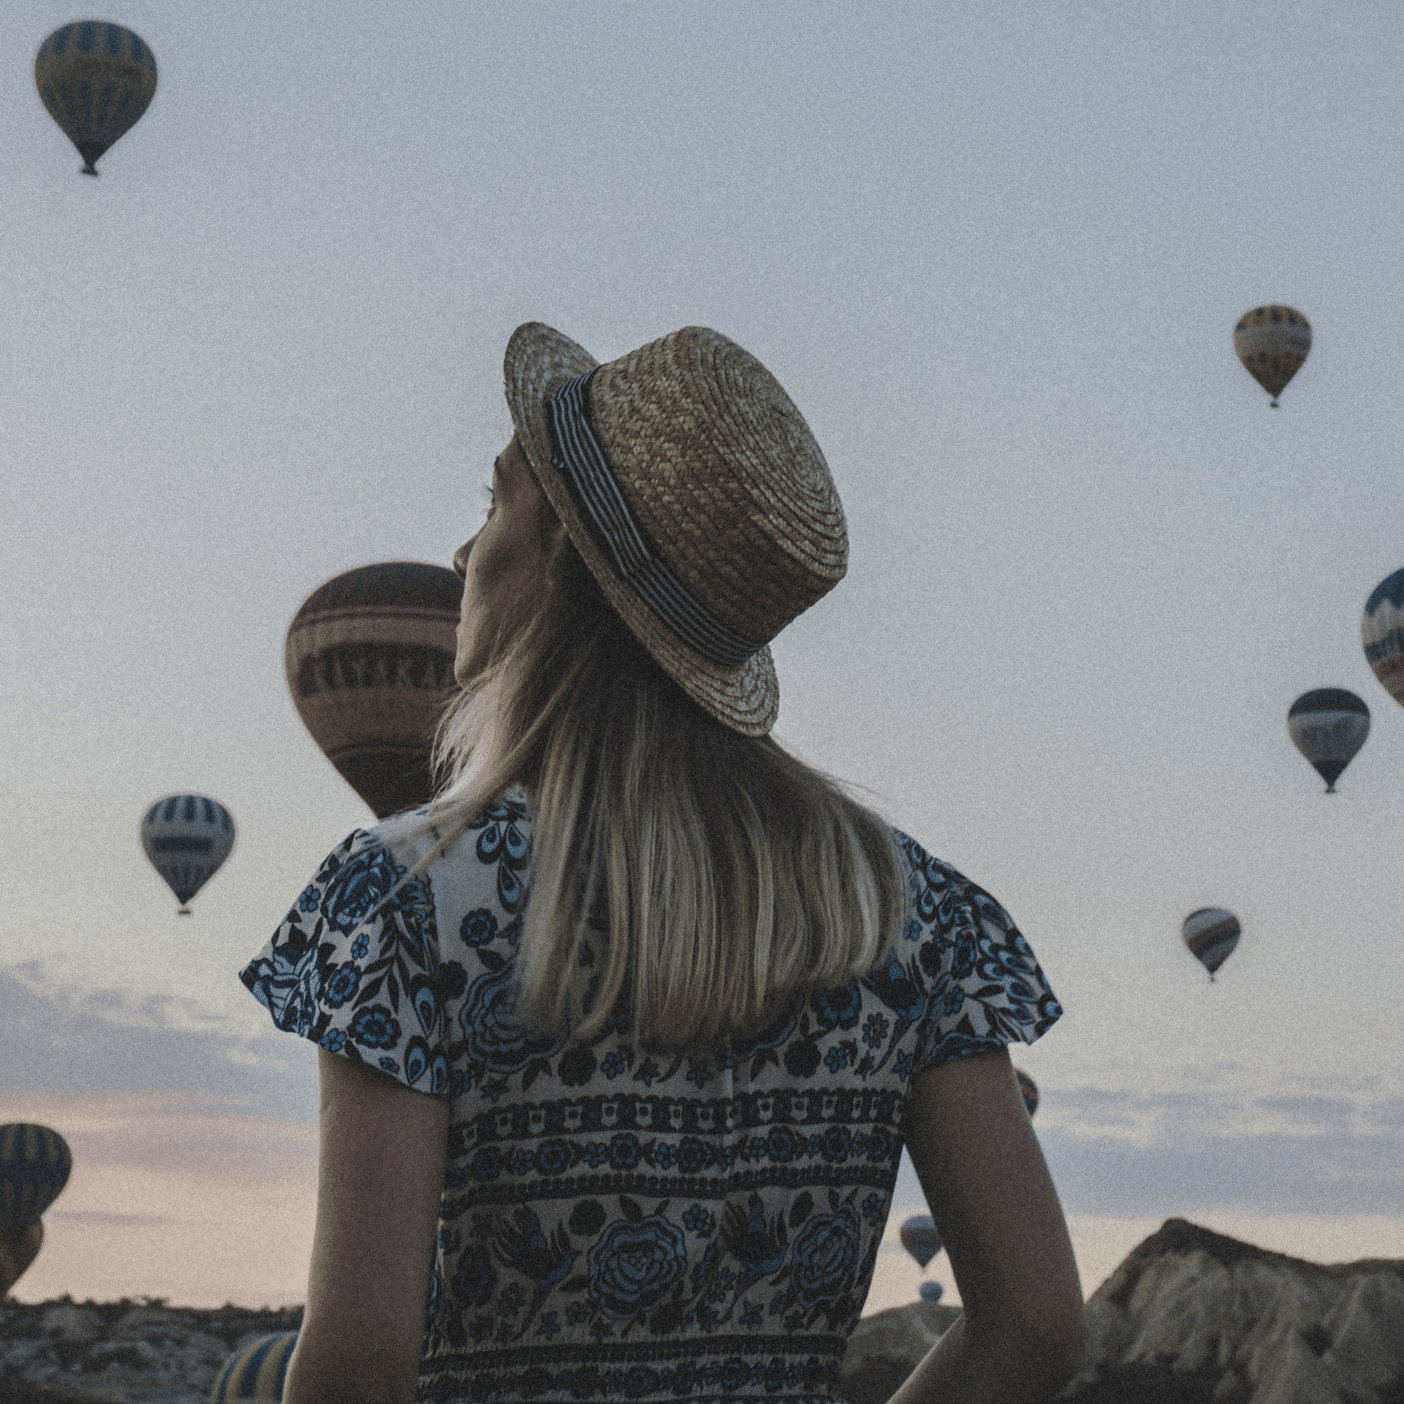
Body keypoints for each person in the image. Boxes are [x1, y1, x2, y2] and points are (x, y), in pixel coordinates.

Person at [242, 322, 1084, 1404]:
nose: (462, 554)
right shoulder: (913, 913)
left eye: (495, 502)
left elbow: (359, 1361)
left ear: (560, 558)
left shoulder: (403, 903)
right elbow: (1039, 1326)